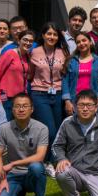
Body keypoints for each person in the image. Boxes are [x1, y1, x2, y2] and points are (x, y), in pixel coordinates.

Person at [0, 93, 49, 196]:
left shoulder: (42, 128)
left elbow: (40, 156)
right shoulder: (4, 129)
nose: (21, 109)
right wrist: (2, 179)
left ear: (32, 109)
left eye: (25, 106)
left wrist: (14, 163)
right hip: (14, 175)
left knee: (36, 167)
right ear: (12, 110)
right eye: (17, 106)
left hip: (32, 173)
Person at [29, 22, 69, 174]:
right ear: (43, 35)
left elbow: (65, 74)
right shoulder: (35, 52)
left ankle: (54, 160)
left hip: (57, 94)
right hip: (40, 94)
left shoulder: (62, 52)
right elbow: (30, 74)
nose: (51, 37)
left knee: (58, 130)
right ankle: (46, 161)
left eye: (54, 34)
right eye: (49, 34)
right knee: (49, 130)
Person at [62, 32, 98, 117]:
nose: (81, 43)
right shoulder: (71, 61)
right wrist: (67, 101)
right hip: (74, 102)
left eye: (84, 40)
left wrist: (97, 99)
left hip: (92, 102)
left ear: (90, 42)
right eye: (78, 42)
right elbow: (65, 81)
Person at [0, 30, 35, 119]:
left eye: (31, 41)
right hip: (6, 98)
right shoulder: (10, 54)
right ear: (19, 41)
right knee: (5, 126)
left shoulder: (27, 57)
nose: (28, 43)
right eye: (25, 40)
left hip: (20, 99)